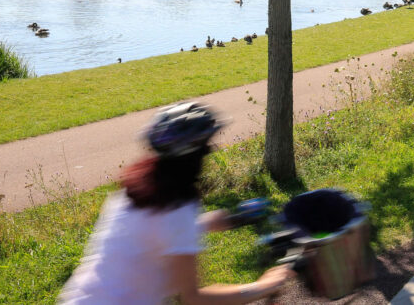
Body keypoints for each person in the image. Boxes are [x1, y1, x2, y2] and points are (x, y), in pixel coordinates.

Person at [59, 102, 291, 304]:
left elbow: (152, 233)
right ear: (195, 157)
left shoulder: (133, 192)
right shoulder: (179, 210)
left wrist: (218, 222)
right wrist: (264, 285)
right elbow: (193, 298)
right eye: (207, 149)